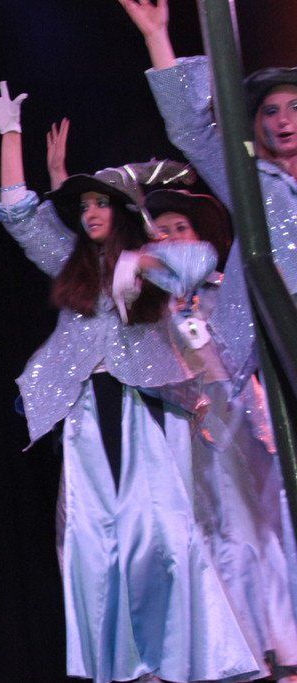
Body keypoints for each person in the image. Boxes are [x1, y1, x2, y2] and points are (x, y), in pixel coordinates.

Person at [0, 80, 262, 683]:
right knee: (91, 536)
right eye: (84, 205)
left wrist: (143, 260)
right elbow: (18, 213)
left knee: (160, 531)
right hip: (84, 406)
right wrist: (10, 134)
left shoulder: (154, 261)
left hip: (146, 400)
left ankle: (187, 657)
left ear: (125, 213)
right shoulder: (71, 262)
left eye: (101, 204)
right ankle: (119, 665)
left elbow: (200, 261)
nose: (89, 213)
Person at [147, 188, 297, 680]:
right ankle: (240, 647)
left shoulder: (222, 290)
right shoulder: (148, 304)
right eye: (161, 231)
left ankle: (284, 639)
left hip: (242, 413)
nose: (172, 238)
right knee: (215, 531)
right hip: (188, 421)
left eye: (181, 228)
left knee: (263, 525)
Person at [119, 0, 297, 385]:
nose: (283, 120)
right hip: (277, 332)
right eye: (270, 111)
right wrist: (156, 36)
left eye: (295, 107)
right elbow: (190, 130)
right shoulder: (252, 180)